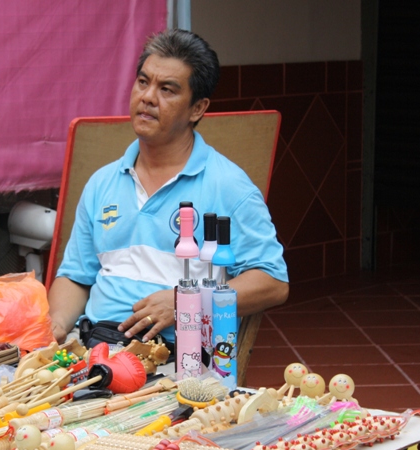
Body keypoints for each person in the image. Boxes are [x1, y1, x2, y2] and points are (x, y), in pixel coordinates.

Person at [48, 29, 289, 347]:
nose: (147, 97)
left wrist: (184, 303)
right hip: (94, 350)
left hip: (179, 365)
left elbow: (273, 283)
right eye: (143, 82)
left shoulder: (228, 186)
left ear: (197, 109)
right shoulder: (102, 183)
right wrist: (55, 328)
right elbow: (76, 277)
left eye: (168, 89)